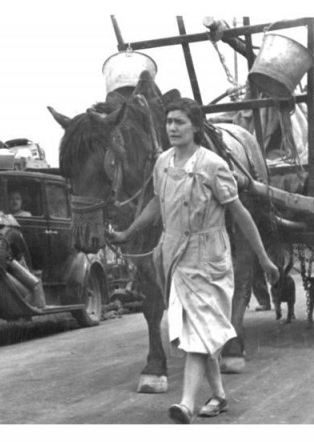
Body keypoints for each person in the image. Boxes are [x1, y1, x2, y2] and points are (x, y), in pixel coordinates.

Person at [108, 98, 279, 424]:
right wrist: (127, 231)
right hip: (173, 257)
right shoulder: (162, 163)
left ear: (196, 127)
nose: (172, 127)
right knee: (194, 330)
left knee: (196, 333)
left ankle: (186, 403)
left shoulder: (214, 166)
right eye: (169, 121)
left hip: (208, 258)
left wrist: (264, 259)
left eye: (179, 122)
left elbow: (240, 215)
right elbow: (157, 205)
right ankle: (218, 395)